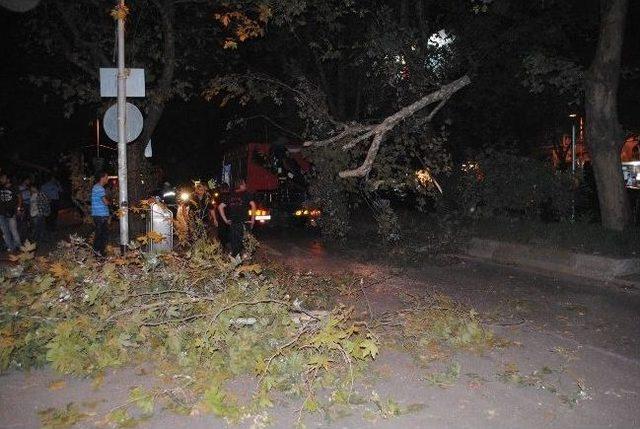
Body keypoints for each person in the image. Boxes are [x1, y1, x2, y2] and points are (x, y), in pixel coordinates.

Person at [217, 179, 256, 257]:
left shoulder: (230, 195)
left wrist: (225, 220)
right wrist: (252, 220)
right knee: (246, 244)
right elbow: (253, 206)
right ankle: (244, 261)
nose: (245, 186)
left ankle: (236, 261)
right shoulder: (246, 194)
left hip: (233, 224)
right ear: (240, 185)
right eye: (244, 184)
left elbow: (220, 207)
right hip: (244, 223)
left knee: (235, 244)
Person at [0, 174, 22, 252]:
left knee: (13, 230)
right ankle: (10, 247)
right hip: (1, 213)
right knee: (5, 231)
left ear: (8, 180)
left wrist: (18, 209)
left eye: (3, 178)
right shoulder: (1, 187)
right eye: (1, 178)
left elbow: (20, 198)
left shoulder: (14, 187)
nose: (1, 179)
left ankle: (18, 246)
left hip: (11, 212)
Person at [91, 171, 110, 256]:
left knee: (100, 234)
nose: (107, 179)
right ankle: (98, 252)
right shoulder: (100, 188)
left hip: (98, 214)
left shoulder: (96, 187)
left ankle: (98, 252)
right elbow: (105, 202)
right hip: (100, 215)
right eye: (106, 177)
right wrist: (110, 202)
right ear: (102, 178)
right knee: (101, 234)